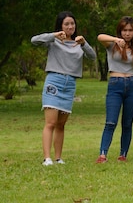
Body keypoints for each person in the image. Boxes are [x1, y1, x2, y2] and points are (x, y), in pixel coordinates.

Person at [31, 11, 97, 166]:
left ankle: (58, 158)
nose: (70, 26)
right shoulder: (54, 41)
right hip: (54, 82)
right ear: (60, 26)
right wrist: (53, 35)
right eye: (66, 24)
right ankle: (47, 158)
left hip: (70, 84)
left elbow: (92, 56)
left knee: (61, 124)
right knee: (51, 122)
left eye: (72, 24)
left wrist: (84, 43)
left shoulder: (78, 43)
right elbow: (34, 40)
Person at [96, 16, 133, 163]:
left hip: (132, 85)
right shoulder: (112, 45)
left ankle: (123, 155)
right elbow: (99, 37)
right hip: (115, 84)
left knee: (127, 123)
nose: (127, 33)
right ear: (120, 31)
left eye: (130, 31)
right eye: (124, 30)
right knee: (111, 122)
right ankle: (102, 155)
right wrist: (115, 40)